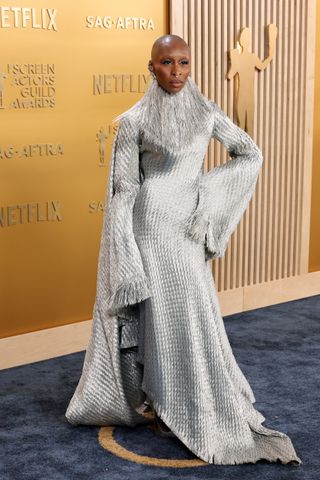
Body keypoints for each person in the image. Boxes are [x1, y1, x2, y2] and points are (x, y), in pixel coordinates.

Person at [65, 34, 302, 466]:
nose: (176, 72)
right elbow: (123, 190)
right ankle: (161, 403)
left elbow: (249, 153)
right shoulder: (134, 120)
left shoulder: (206, 111)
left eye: (183, 63)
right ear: (151, 67)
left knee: (191, 308)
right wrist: (124, 252)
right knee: (159, 314)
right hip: (149, 227)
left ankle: (187, 397)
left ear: (191, 67)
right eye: (167, 63)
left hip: (186, 229)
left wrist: (208, 195)